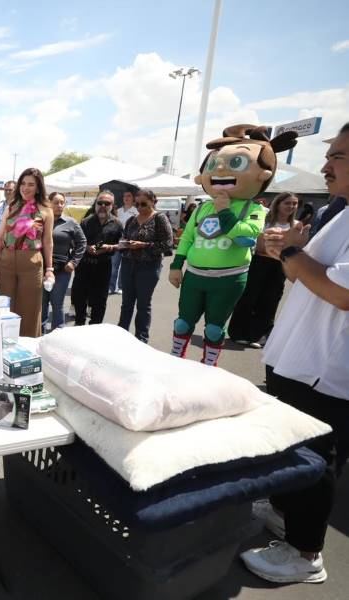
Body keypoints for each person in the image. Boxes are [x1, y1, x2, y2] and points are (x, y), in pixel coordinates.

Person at [239, 122, 349, 586]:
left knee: (313, 459)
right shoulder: (341, 213)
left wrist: (295, 253)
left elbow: (341, 292)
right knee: (293, 449)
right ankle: (286, 511)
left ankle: (306, 553)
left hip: (325, 371)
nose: (326, 166)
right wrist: (287, 255)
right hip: (298, 360)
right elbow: (304, 276)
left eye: (338, 157)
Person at [169, 124, 297, 365]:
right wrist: (176, 264)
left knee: (215, 329)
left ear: (263, 174)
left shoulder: (254, 209)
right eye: (213, 165)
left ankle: (208, 366)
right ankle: (176, 360)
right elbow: (188, 237)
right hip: (194, 276)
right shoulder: (204, 207)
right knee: (183, 322)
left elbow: (246, 236)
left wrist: (226, 211)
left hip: (228, 279)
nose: (220, 170)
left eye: (235, 163)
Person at [228, 192, 299, 347]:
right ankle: (238, 333)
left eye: (294, 204)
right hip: (259, 262)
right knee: (249, 297)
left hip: (281, 265)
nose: (291, 207)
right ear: (278, 204)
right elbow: (259, 247)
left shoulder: (295, 225)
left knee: (270, 300)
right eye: (287, 203)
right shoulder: (265, 221)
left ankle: (257, 335)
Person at [0, 167, 55, 337]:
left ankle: (29, 347)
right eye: (23, 184)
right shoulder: (11, 207)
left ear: (38, 187)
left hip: (32, 262)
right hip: (7, 261)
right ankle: (4, 345)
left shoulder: (46, 210)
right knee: (6, 306)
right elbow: (0, 237)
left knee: (30, 309)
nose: (25, 188)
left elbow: (48, 242)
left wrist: (49, 269)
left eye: (31, 184)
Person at [118, 189, 173, 343]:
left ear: (153, 201)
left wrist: (144, 245)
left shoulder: (160, 218)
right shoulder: (132, 220)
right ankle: (121, 335)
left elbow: (167, 245)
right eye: (137, 204)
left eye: (144, 204)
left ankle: (141, 339)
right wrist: (124, 244)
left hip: (148, 267)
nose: (140, 207)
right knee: (126, 303)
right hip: (128, 264)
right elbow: (124, 239)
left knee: (143, 304)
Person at [71, 191, 122, 327]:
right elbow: (76, 242)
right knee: (79, 298)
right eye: (100, 203)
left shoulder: (117, 224)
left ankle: (96, 328)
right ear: (96, 204)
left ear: (112, 205)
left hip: (103, 266)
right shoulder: (86, 222)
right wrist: (87, 247)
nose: (103, 206)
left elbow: (121, 245)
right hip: (84, 266)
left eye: (107, 203)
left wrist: (108, 247)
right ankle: (79, 325)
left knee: (100, 301)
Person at [42, 192, 85, 331]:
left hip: (62, 270)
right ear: (48, 203)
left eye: (62, 202)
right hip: (41, 268)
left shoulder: (70, 222)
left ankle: (57, 335)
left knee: (57, 303)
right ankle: (38, 333)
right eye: (56, 202)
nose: (60, 205)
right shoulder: (40, 221)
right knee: (41, 303)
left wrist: (74, 262)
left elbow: (82, 242)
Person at [109, 190, 137, 294]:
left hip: (128, 241)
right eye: (125, 196)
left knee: (125, 266)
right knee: (114, 265)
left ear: (133, 198)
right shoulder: (118, 211)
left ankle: (121, 287)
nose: (126, 198)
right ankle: (111, 287)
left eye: (129, 196)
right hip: (117, 241)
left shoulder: (136, 211)